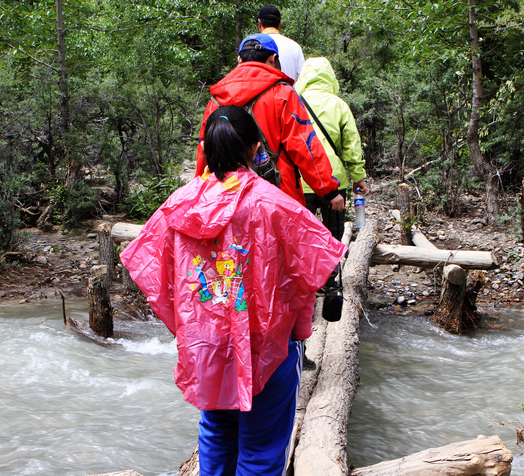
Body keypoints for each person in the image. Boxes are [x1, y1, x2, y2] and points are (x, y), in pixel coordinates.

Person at [122, 105, 347, 476]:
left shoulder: (179, 204)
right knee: (260, 451)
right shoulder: (275, 206)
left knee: (216, 435)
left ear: (207, 150)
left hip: (206, 345)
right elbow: (306, 278)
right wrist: (300, 334)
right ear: (256, 148)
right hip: (266, 348)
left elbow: (152, 275)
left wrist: (188, 328)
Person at [195, 33, 343, 213]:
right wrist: (328, 190)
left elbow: (204, 151)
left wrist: (199, 192)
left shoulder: (216, 100)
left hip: (227, 196)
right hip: (279, 196)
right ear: (272, 59)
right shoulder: (283, 94)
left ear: (239, 59)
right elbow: (304, 146)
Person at [294, 57, 368, 243]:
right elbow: (352, 145)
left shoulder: (294, 103)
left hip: (301, 179)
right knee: (333, 237)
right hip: (333, 181)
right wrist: (358, 177)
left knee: (301, 237)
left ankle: (306, 272)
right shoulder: (339, 105)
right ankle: (333, 272)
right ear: (331, 78)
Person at [257, 5, 305, 81]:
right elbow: (303, 77)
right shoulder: (295, 47)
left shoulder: (253, 45)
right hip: (289, 92)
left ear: (259, 23)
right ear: (279, 24)